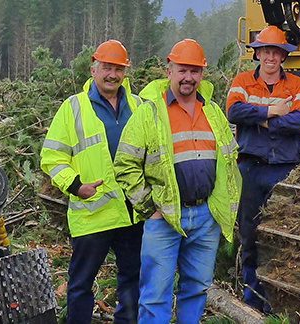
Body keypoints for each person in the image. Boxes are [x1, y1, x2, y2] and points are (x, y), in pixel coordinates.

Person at [114, 39, 241, 324]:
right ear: (168, 71)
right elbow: (125, 165)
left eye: (195, 71)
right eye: (182, 70)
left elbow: (229, 160)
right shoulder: (150, 113)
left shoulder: (213, 112)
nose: (188, 77)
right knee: (155, 295)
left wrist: (217, 209)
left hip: (204, 217)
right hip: (164, 218)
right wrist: (149, 208)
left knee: (196, 290)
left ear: (202, 74)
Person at [40, 40, 143, 324]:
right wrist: (75, 186)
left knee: (131, 281)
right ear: (93, 69)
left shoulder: (138, 106)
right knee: (81, 284)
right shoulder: (72, 108)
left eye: (118, 69)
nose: (112, 74)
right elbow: (51, 156)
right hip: (92, 216)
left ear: (125, 71)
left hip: (131, 214)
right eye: (106, 67)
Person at [226, 25, 300, 311]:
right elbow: (234, 111)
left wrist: (261, 121)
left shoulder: (297, 85)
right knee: (250, 236)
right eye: (265, 51)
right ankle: (253, 302)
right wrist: (272, 111)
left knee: (283, 235)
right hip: (250, 170)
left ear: (283, 56)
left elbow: (299, 121)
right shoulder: (242, 81)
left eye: (276, 52)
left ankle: (281, 304)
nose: (270, 57)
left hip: (284, 170)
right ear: (258, 54)